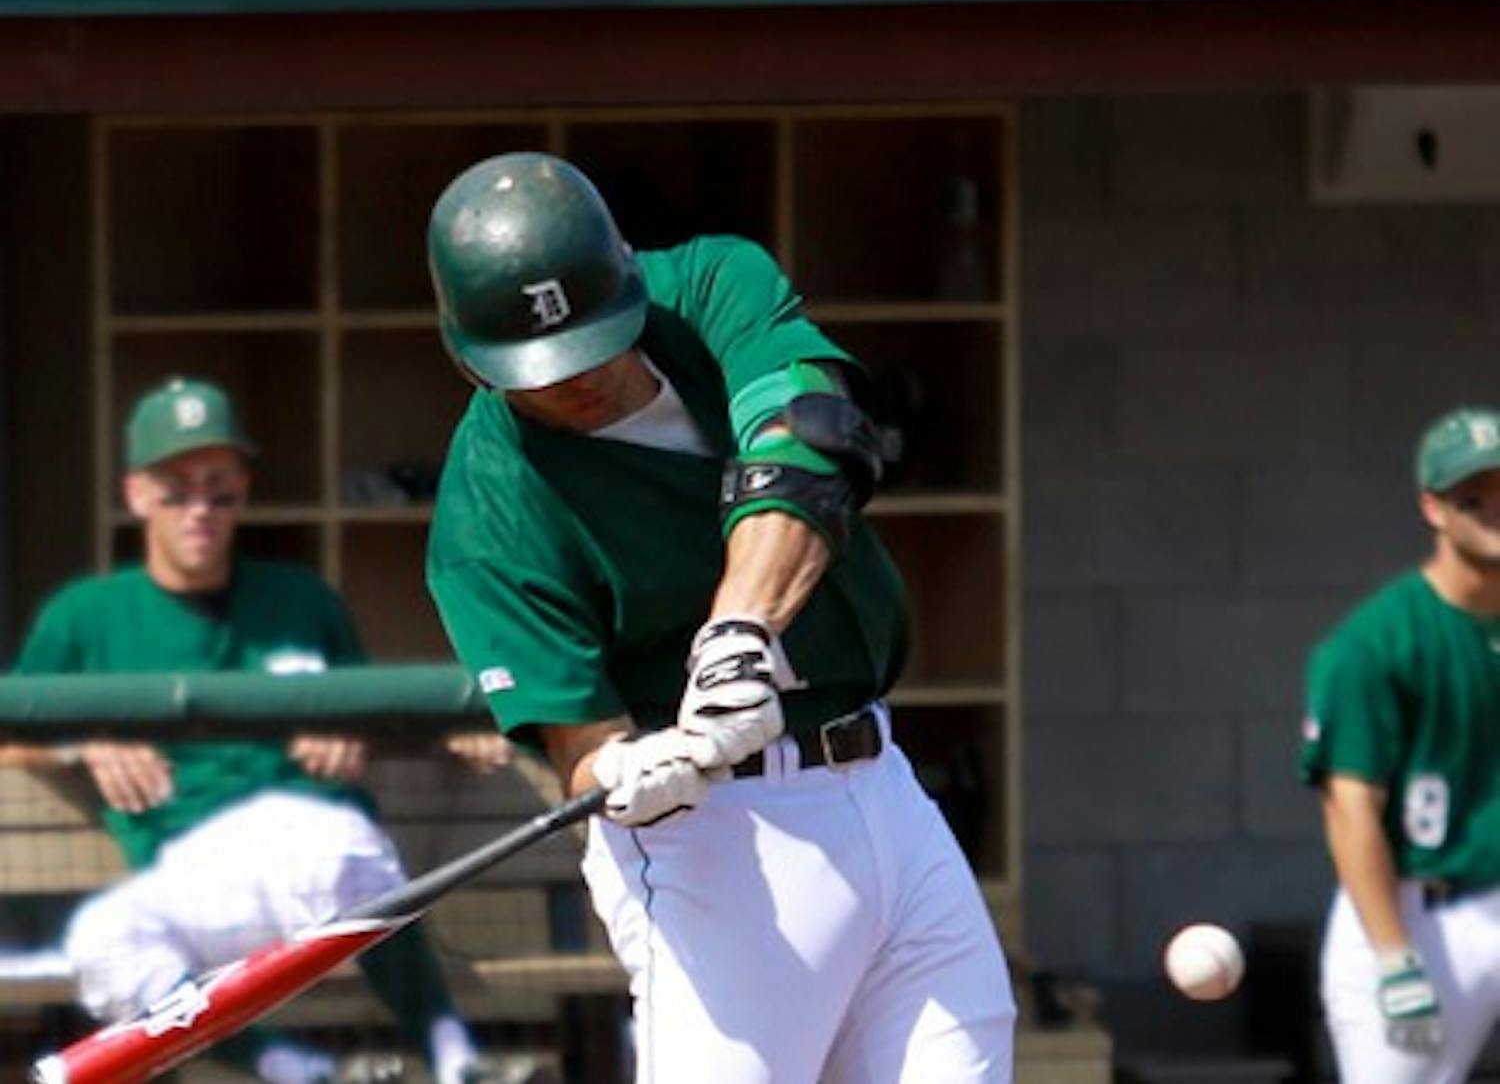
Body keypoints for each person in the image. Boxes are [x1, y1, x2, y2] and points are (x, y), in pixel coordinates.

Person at [423, 151, 1016, 1083]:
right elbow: (581, 742)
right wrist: (624, 769)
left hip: (884, 788)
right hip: (714, 844)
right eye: (543, 364)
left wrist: (736, 638)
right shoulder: (487, 510)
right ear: (469, 354)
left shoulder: (707, 286)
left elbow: (812, 439)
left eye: (593, 336)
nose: (577, 376)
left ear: (626, 277)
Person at [9, 376, 535, 1084]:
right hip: (190, 873)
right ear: (136, 494)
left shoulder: (300, 598)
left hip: (310, 845)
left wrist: (407, 730)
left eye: (218, 490)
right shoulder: (86, 615)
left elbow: (380, 712)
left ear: (242, 492)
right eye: (176, 491)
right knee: (102, 940)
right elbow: (10, 734)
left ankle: (455, 1058)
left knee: (344, 851)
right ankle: (297, 1071)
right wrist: (82, 742)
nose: (200, 510)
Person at [1301, 405, 1500, 1084]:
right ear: (1433, 507)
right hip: (1418, 913)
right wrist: (1393, 953)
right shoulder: (1376, 642)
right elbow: (1349, 806)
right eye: (1474, 496)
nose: (1495, 510)